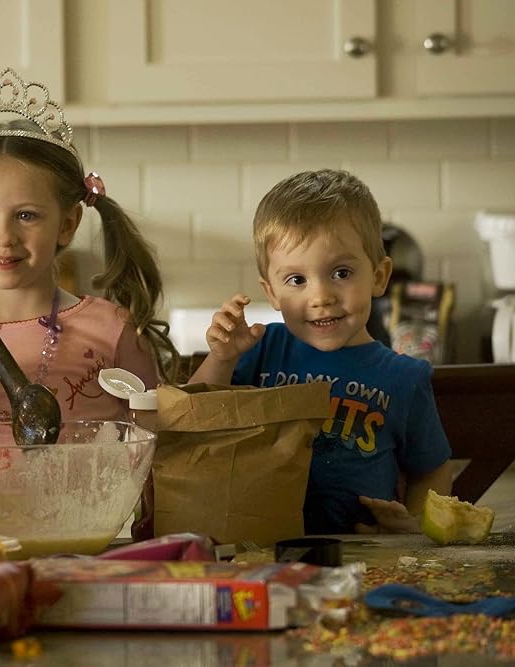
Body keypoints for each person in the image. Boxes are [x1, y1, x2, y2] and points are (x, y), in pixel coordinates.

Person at [0, 68, 179, 443]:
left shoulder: (114, 329)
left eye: (26, 215)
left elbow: (162, 443)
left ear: (68, 223)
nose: (4, 236)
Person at [190, 169, 452, 534]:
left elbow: (433, 469)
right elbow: (193, 425)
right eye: (297, 280)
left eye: (341, 273)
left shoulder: (404, 378)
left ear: (378, 276)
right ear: (272, 293)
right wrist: (222, 358)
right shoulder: (260, 349)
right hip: (261, 553)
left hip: (364, 558)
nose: (321, 297)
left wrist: (415, 526)